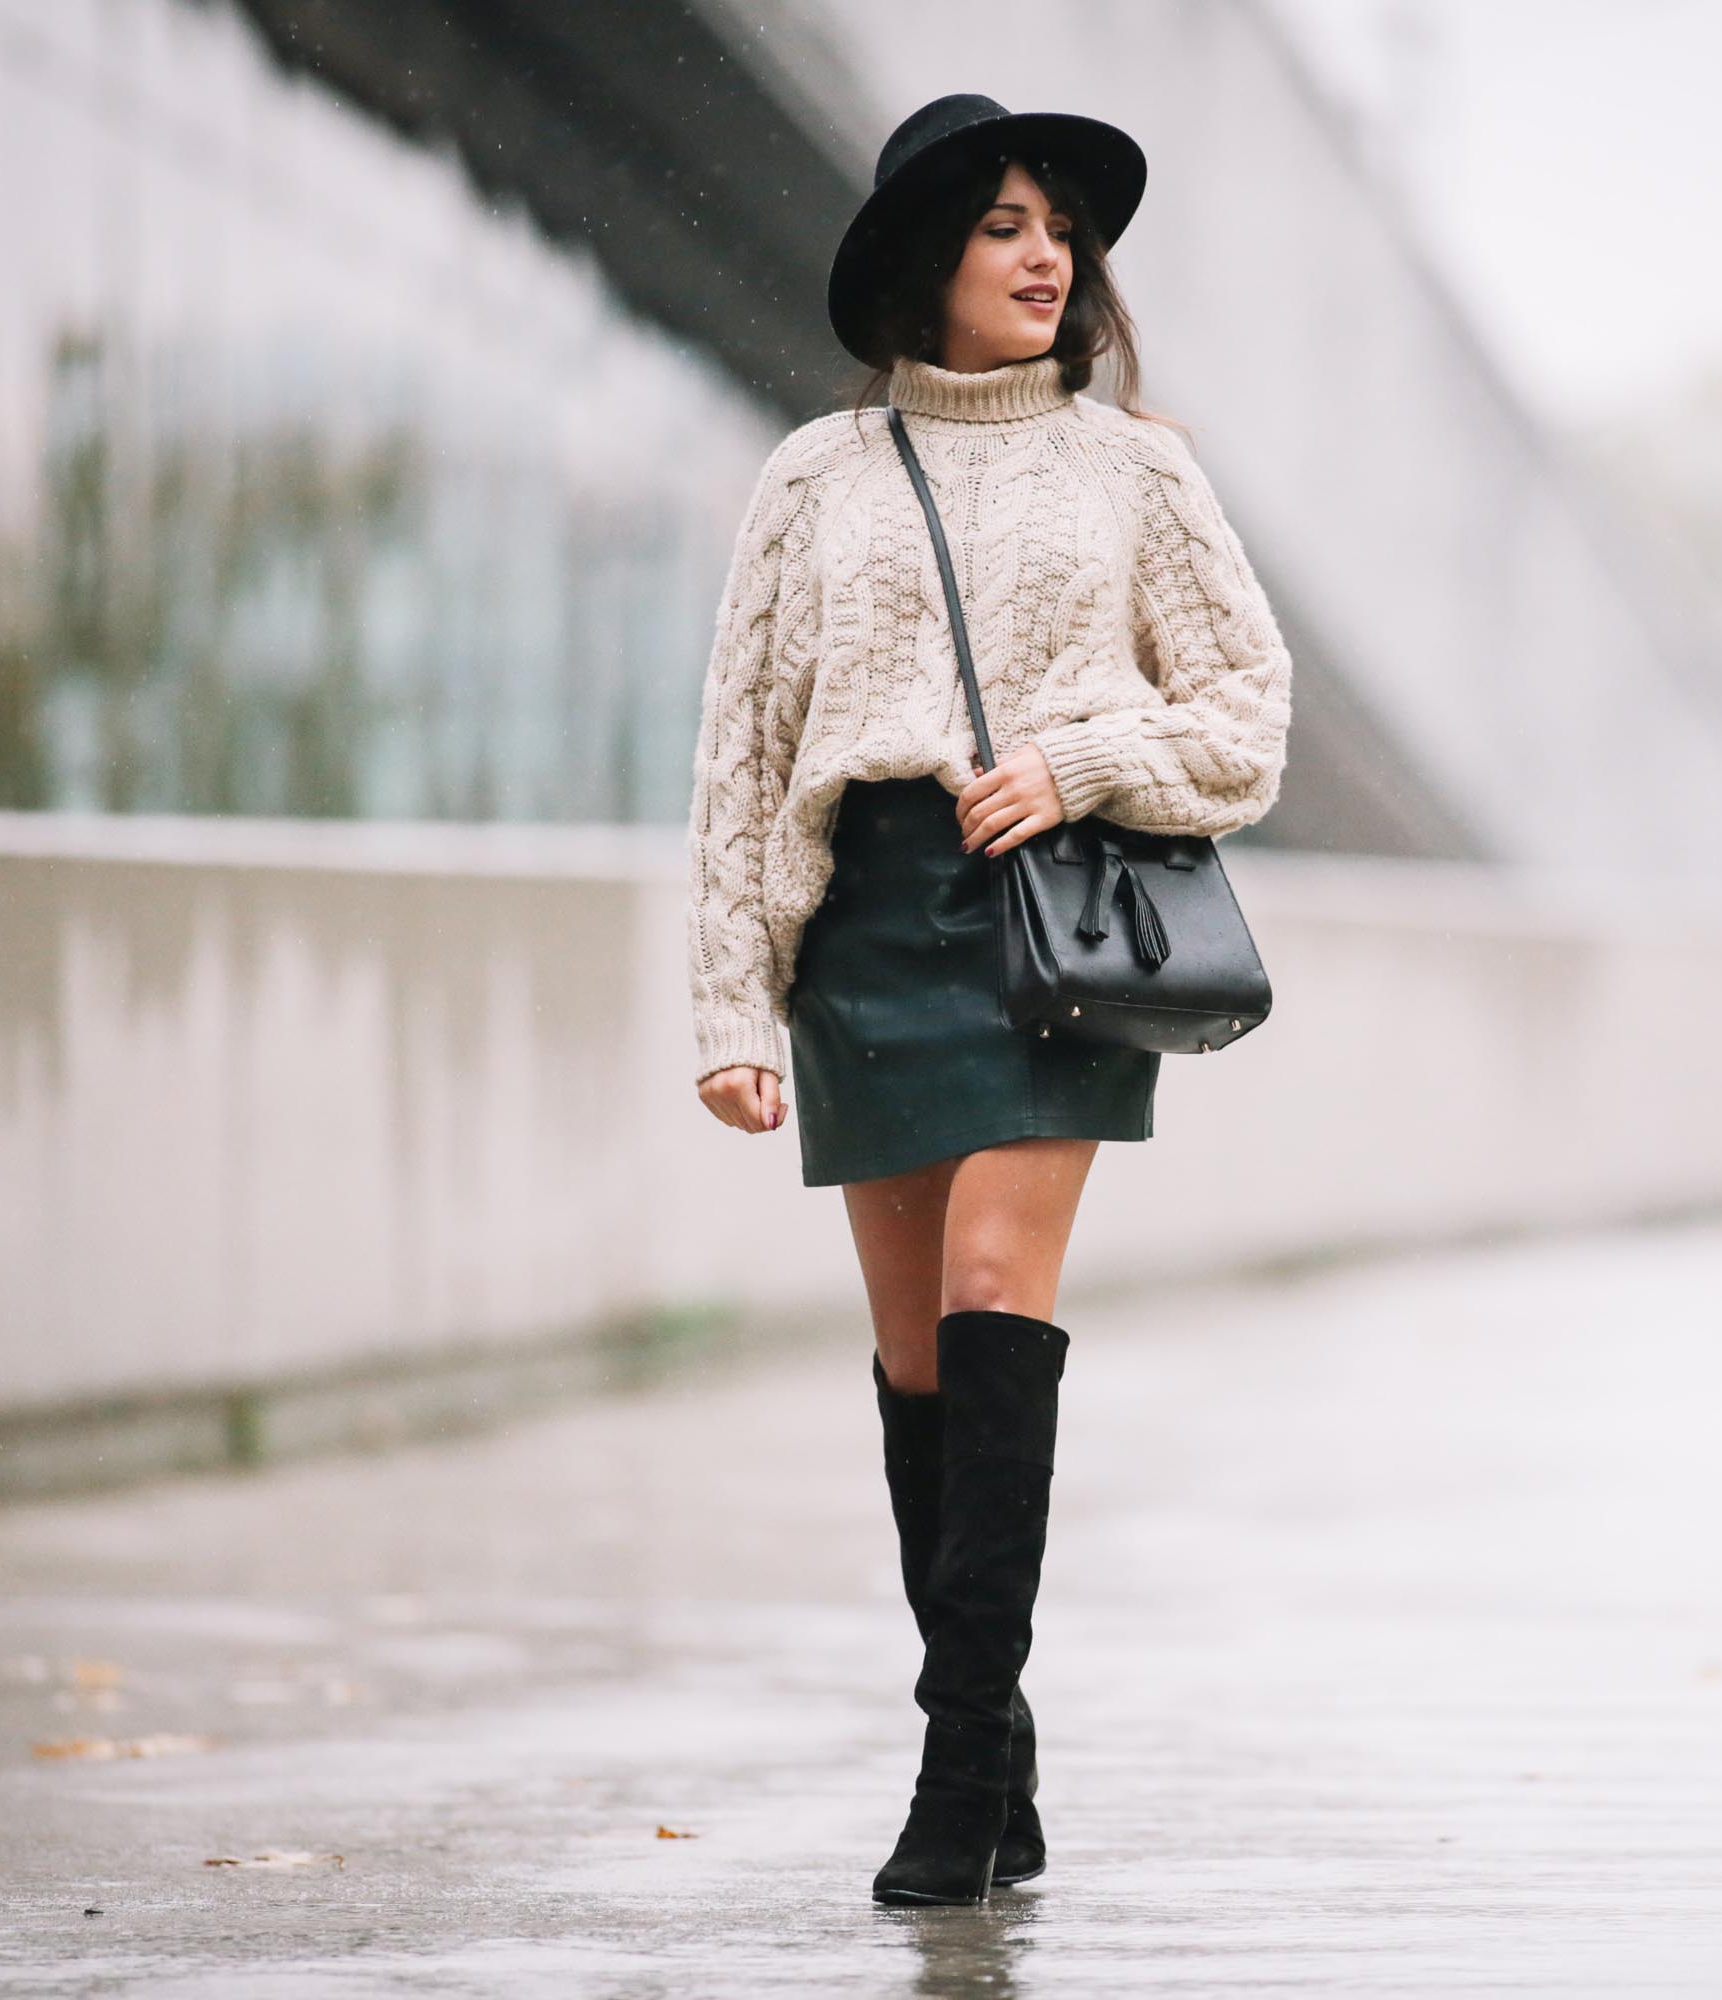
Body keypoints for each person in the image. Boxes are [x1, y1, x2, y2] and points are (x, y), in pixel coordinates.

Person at [682, 93, 1294, 1905]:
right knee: (917, 1357)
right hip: (863, 928)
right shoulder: (812, 479)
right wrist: (732, 1002)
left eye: (1064, 235)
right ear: (928, 260)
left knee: (991, 1291)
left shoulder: (1136, 470)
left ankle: (952, 1764)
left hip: (1050, 927)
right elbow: (742, 756)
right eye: (1007, 226)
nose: (1047, 259)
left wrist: (1087, 755)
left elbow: (1246, 715)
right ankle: (998, 1743)